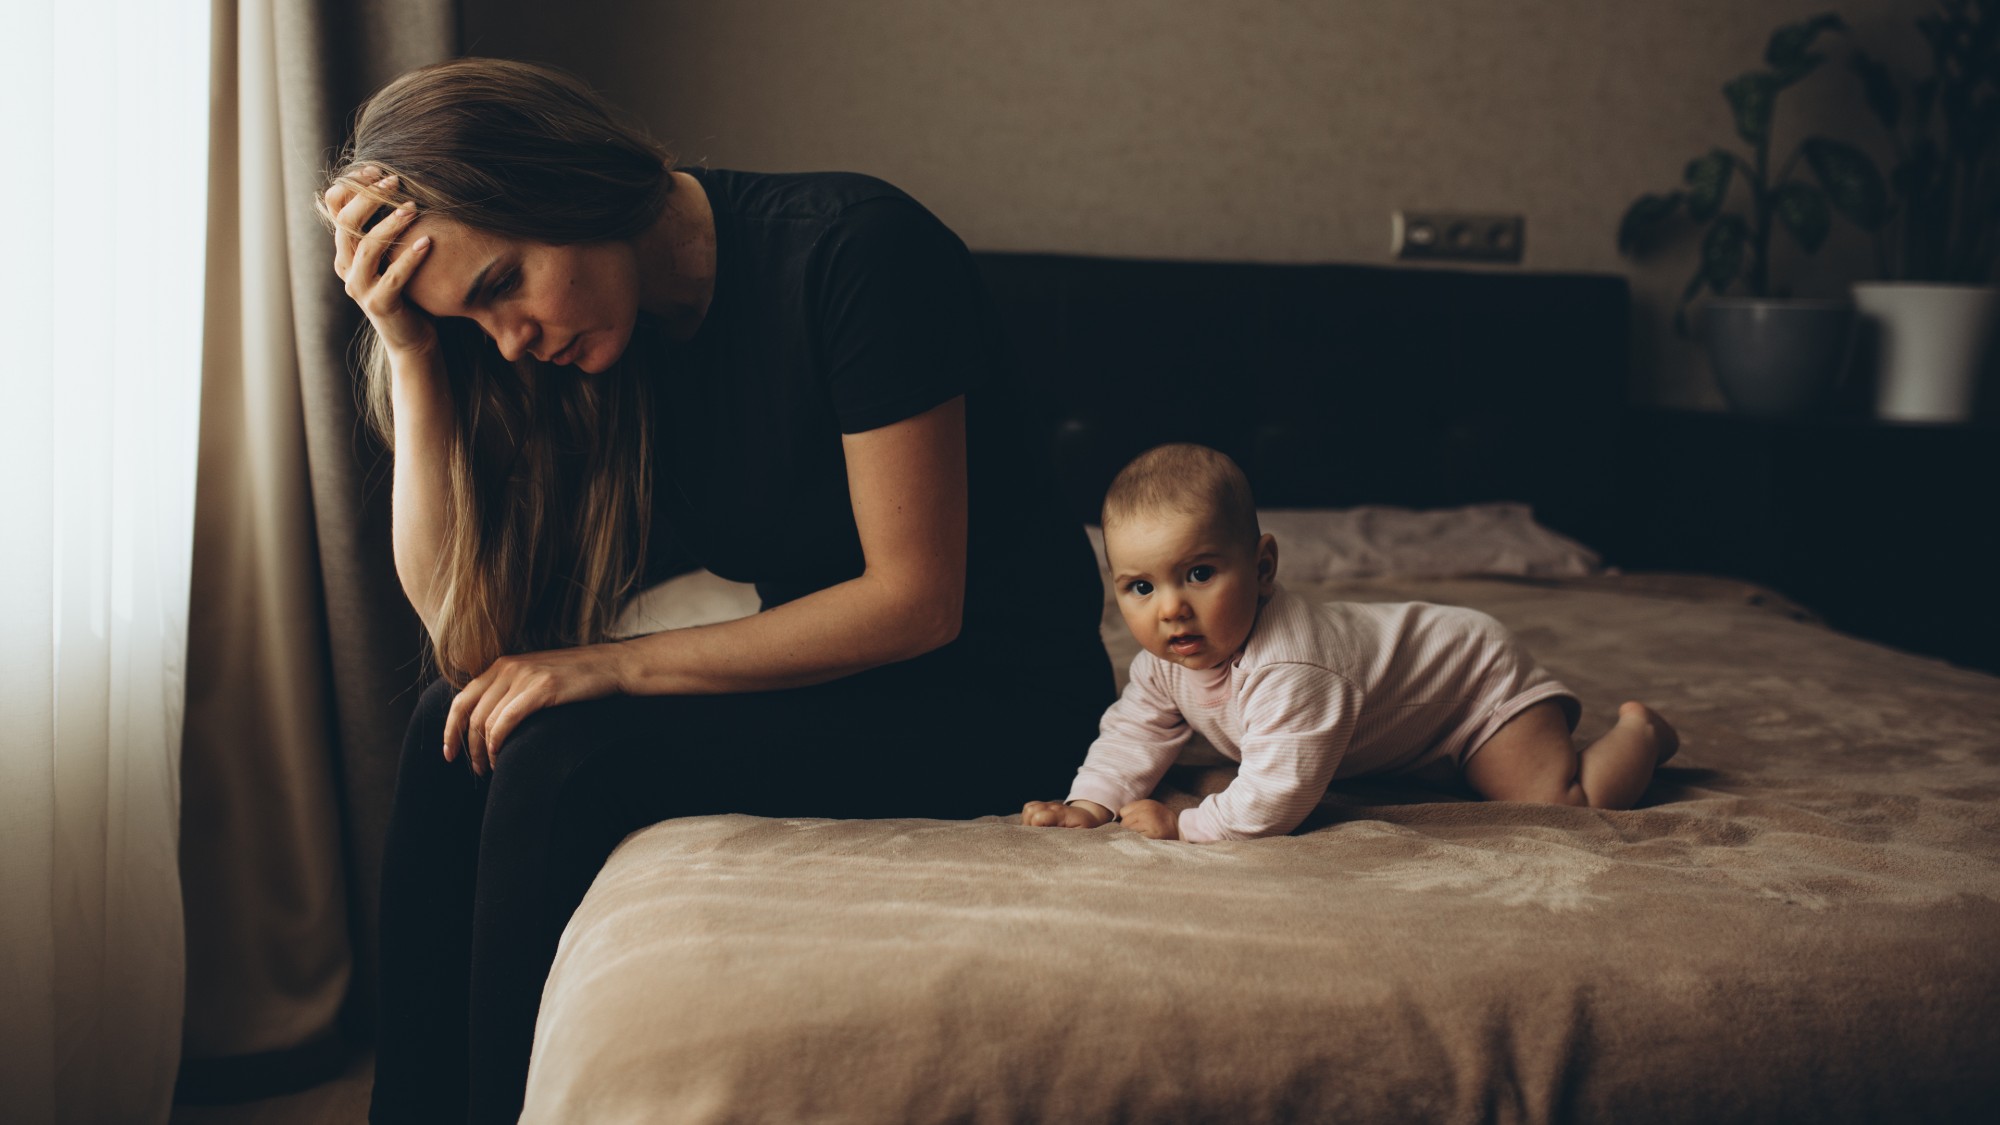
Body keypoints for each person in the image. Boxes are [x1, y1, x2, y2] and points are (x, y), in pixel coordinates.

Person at [318, 58, 1113, 1124]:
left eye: (501, 283)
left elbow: (916, 600)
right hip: (833, 693)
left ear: (564, 184)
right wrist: (411, 352)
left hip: (997, 705)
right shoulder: (601, 346)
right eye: (474, 320)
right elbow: (468, 639)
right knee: (449, 725)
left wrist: (611, 667)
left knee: (562, 751)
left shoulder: (856, 252)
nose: (510, 339)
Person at [1021, 443, 1677, 842]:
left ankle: (1640, 732)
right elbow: (1133, 734)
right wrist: (1090, 802)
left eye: (1199, 573)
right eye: (1140, 586)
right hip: (1392, 716)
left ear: (1263, 566)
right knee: (1201, 767)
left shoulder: (1290, 667)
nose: (1170, 609)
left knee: (1556, 805)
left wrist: (1185, 825)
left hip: (1469, 687)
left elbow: (1277, 800)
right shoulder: (1165, 661)